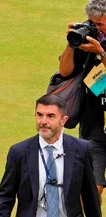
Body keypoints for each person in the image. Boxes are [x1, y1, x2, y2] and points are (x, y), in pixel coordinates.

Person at [58, 0, 106, 203]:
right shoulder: (86, 37)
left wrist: (101, 52)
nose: (97, 29)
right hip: (94, 124)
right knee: (90, 188)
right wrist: (72, 44)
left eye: (101, 24)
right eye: (93, 23)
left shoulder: (97, 46)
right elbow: (65, 71)